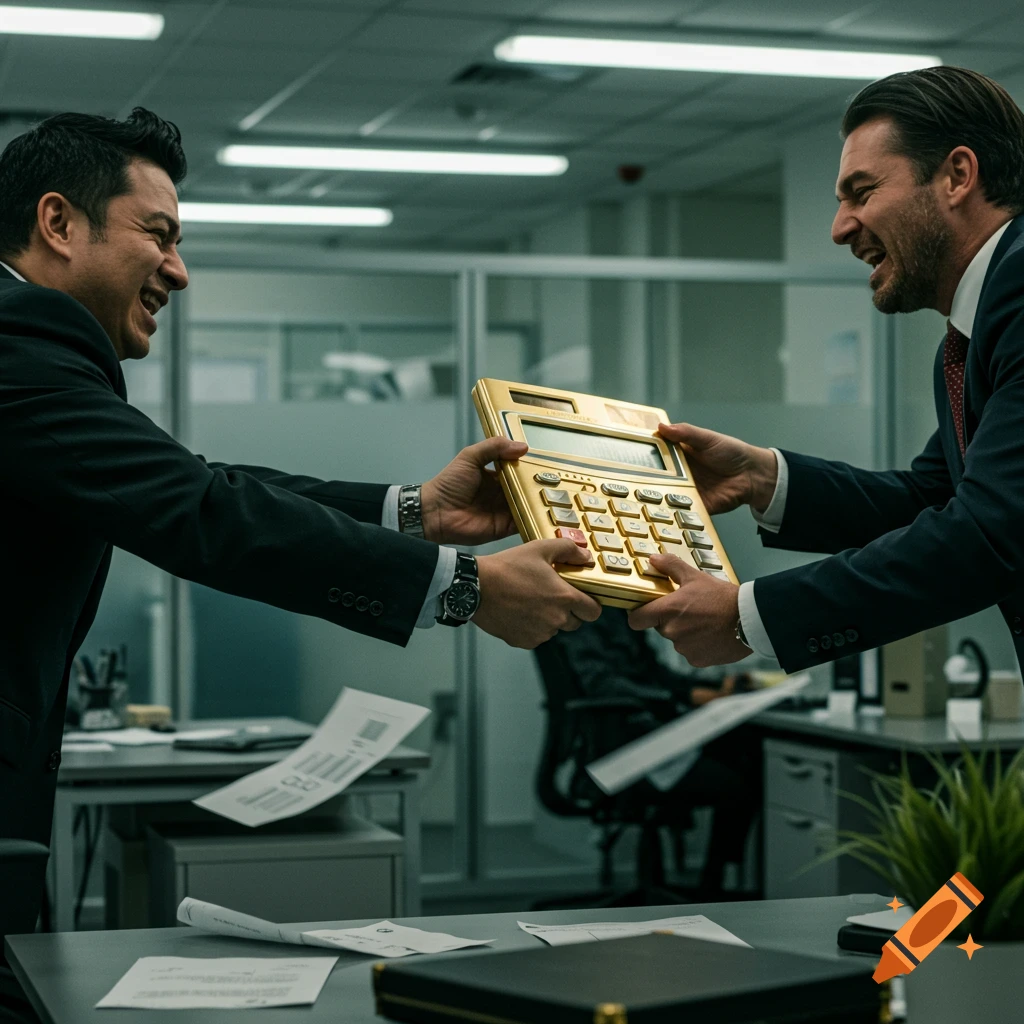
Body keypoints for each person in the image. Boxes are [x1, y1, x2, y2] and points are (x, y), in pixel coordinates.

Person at [0, 108, 600, 1019]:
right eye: (158, 235)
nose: (178, 269)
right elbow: (198, 509)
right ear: (58, 223)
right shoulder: (18, 349)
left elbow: (200, 482)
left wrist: (413, 512)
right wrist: (467, 588)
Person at [628, 66, 1024, 674]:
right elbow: (934, 500)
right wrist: (764, 477)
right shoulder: (974, 331)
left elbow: (990, 533)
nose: (840, 229)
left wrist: (746, 615)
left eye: (861, 193)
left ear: (957, 176)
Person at [541, 609, 760, 896]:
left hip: (644, 740)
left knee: (743, 747)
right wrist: (684, 697)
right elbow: (602, 685)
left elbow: (655, 675)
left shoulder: (618, 617)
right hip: (626, 754)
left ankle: (714, 882)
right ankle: (714, 884)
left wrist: (709, 688)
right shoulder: (582, 619)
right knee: (738, 782)